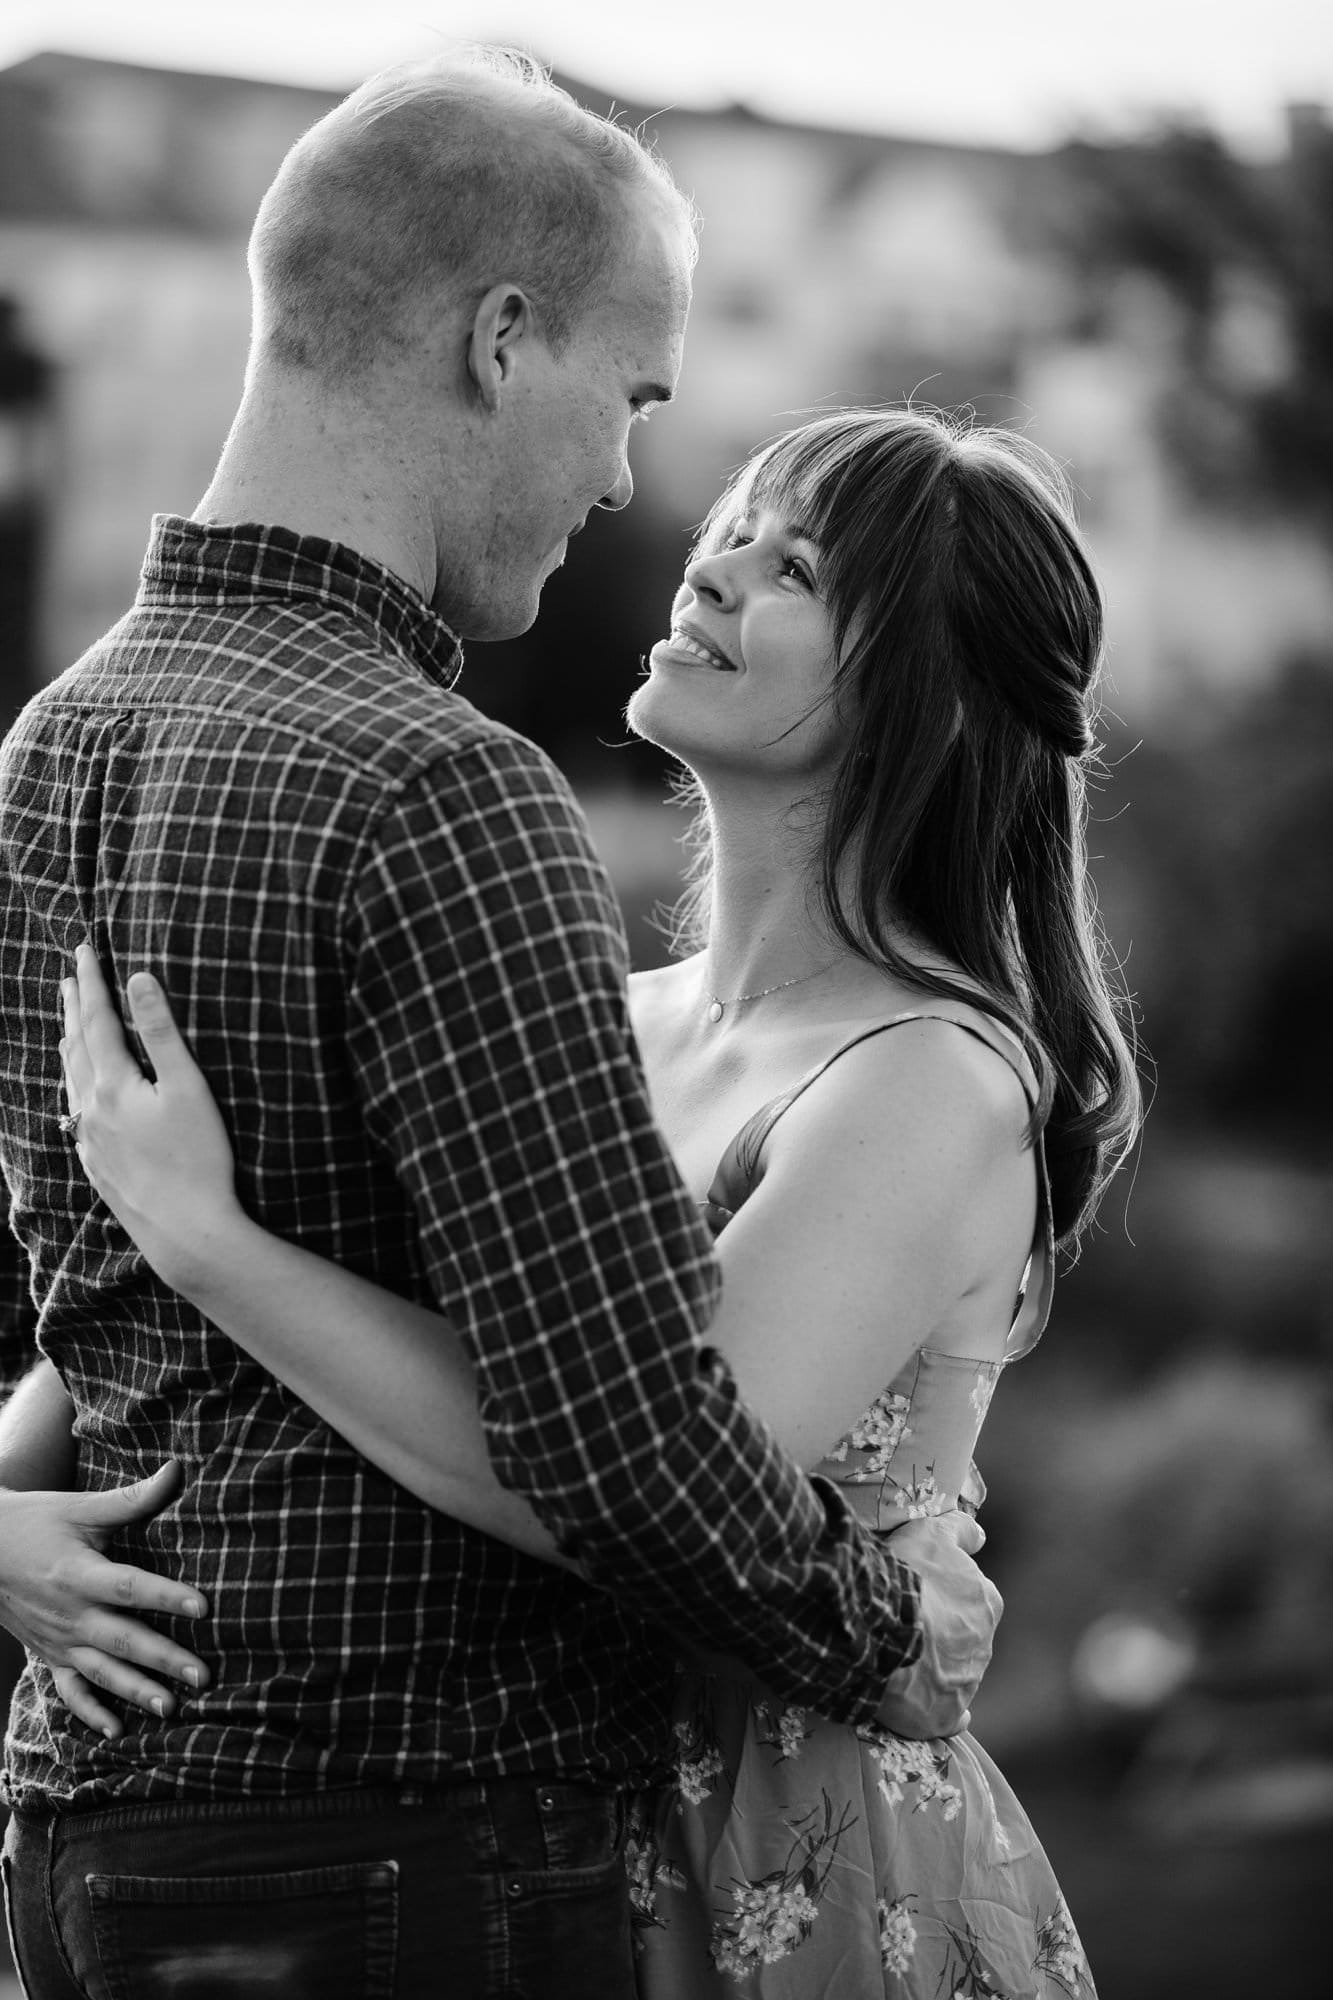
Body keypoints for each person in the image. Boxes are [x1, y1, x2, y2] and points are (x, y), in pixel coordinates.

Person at [0, 49, 996, 2000]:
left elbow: (62, 1308)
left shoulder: (47, 752)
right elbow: (624, 1447)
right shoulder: (432, 786)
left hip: (82, 1834)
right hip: (404, 1829)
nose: (631, 479)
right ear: (501, 341)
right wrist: (877, 1636)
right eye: (632, 394)